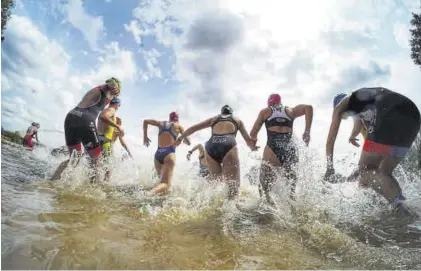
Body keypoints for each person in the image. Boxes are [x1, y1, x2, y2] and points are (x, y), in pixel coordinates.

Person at [325, 87, 421, 211]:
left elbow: (330, 140)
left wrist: (329, 168)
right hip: (412, 116)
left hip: (388, 112)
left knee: (365, 171)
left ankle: (398, 209)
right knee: (384, 172)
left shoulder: (341, 105)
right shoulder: (363, 103)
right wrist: (353, 136)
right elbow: (359, 128)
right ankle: (401, 205)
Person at [174, 105, 258, 199]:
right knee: (233, 186)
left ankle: (210, 205)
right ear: (231, 113)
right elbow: (248, 140)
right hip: (228, 144)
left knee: (216, 184)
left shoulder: (214, 119)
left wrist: (180, 139)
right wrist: (253, 148)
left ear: (221, 113)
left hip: (211, 146)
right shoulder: (237, 120)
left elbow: (194, 128)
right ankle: (229, 210)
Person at [50, 77, 122, 182]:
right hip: (85, 120)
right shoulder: (104, 89)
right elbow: (109, 85)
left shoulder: (96, 92)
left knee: (74, 158)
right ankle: (93, 191)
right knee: (96, 160)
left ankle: (52, 182)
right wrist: (113, 86)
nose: (115, 97)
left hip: (71, 117)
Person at [249, 93, 313, 205]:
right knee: (291, 190)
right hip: (290, 150)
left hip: (272, 149)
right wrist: (307, 131)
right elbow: (309, 108)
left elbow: (253, 133)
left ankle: (267, 212)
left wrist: (253, 145)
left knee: (264, 188)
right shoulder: (291, 111)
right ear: (280, 101)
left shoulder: (265, 111)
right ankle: (293, 212)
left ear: (269, 102)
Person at [143, 111, 191, 195]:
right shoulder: (178, 126)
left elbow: (146, 121)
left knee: (161, 181)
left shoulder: (160, 123)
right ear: (177, 119)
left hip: (158, 155)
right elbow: (188, 142)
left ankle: (155, 196)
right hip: (169, 154)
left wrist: (145, 137)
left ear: (169, 118)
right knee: (166, 184)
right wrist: (182, 139)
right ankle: (148, 194)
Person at [97, 97, 124, 181]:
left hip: (100, 139)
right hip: (105, 141)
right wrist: (117, 126)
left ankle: (95, 183)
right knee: (109, 166)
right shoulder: (111, 110)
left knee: (99, 164)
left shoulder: (108, 110)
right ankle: (106, 185)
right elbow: (103, 116)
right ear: (117, 104)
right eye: (119, 106)